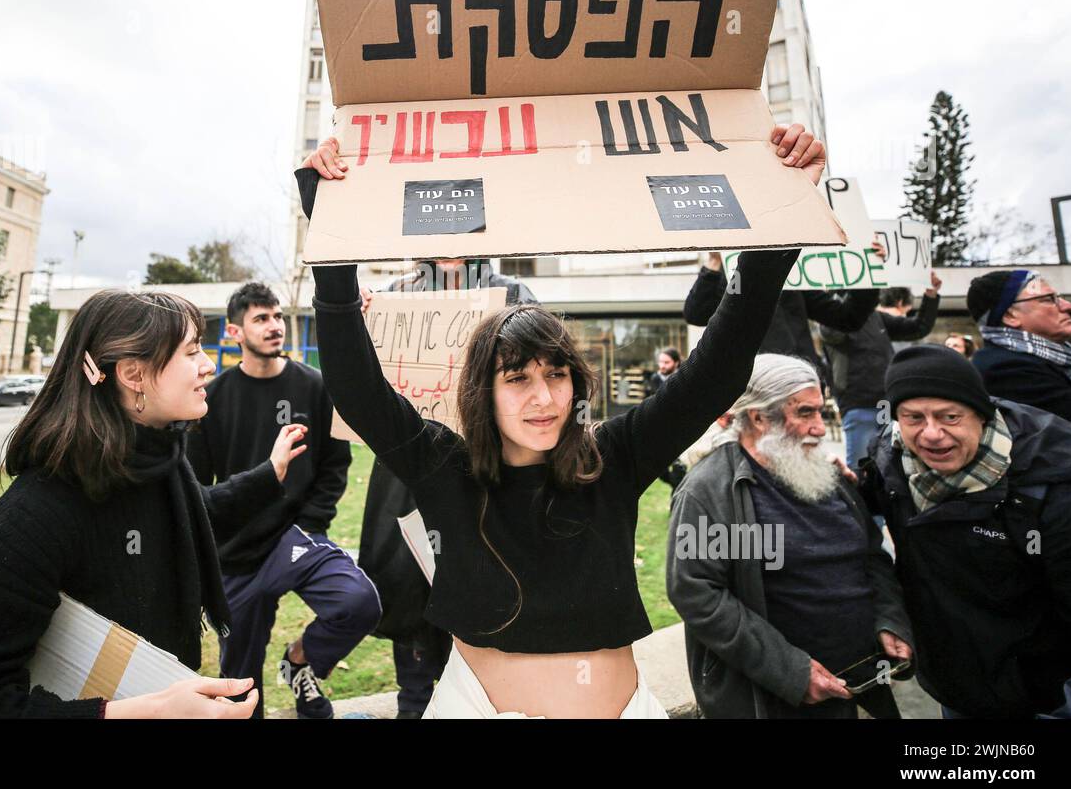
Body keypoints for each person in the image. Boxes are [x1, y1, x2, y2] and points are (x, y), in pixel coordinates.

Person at [299, 122, 826, 718]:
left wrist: (779, 227)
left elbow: (717, 373)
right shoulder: (445, 468)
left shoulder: (617, 459)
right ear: (481, 391)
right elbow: (357, 387)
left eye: (556, 374)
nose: (543, 398)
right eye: (517, 378)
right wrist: (332, 233)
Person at [0, 290, 260, 719]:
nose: (208, 364)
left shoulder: (163, 465)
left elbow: (205, 515)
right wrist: (138, 713)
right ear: (133, 374)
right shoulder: (42, 513)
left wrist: (270, 477)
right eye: (191, 350)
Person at [666, 354, 912, 719]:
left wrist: (890, 618)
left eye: (820, 413)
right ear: (759, 418)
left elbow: (871, 556)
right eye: (804, 413)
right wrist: (791, 672)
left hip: (862, 686)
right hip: (777, 700)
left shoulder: (825, 474)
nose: (819, 427)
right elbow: (697, 592)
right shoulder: (711, 491)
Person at [859, 345, 1071, 718]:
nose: (931, 434)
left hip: (1047, 696)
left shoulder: (1055, 484)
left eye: (949, 416)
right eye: (913, 417)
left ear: (981, 414)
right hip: (955, 683)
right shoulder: (890, 462)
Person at [187, 282, 375, 720]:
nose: (274, 326)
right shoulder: (211, 399)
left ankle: (300, 663)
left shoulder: (314, 386)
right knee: (240, 683)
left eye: (276, 316)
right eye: (260, 319)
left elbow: (335, 465)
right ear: (235, 332)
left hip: (297, 537)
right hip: (235, 555)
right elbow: (197, 487)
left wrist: (311, 523)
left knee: (358, 602)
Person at [357, 259, 536, 718]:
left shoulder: (512, 294)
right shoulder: (396, 296)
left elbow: (540, 369)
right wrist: (355, 324)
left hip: (484, 478)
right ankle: (414, 699)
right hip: (409, 478)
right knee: (413, 606)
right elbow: (363, 383)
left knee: (479, 614)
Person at [682, 254, 880, 377]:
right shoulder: (727, 275)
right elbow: (696, 313)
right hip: (749, 388)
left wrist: (867, 270)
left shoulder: (791, 277)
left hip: (797, 380)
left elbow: (847, 317)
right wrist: (714, 262)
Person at [821, 274, 941, 468]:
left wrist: (931, 295)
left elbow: (917, 328)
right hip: (857, 405)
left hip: (885, 404)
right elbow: (831, 332)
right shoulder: (833, 320)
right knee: (862, 464)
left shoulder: (876, 317)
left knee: (888, 463)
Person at [966, 269, 1071, 428]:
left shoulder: (1060, 357)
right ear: (1010, 316)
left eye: (1059, 297)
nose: (1068, 306)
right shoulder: (1004, 370)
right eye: (1048, 299)